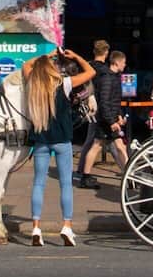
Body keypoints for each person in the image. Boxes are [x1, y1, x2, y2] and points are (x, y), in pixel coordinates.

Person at [24, 50, 95, 247]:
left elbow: (26, 66)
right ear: (51, 69)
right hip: (63, 140)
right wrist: (76, 57)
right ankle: (67, 226)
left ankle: (36, 227)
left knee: (38, 183)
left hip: (41, 141)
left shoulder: (33, 85)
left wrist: (47, 54)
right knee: (65, 184)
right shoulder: (63, 84)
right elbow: (90, 72)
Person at [79, 45, 129, 185]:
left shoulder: (112, 77)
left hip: (109, 118)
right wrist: (111, 121)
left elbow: (114, 100)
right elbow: (104, 102)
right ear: (117, 62)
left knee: (114, 146)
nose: (125, 65)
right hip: (106, 120)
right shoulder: (107, 78)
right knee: (100, 146)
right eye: (123, 62)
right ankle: (86, 176)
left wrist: (118, 115)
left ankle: (86, 176)